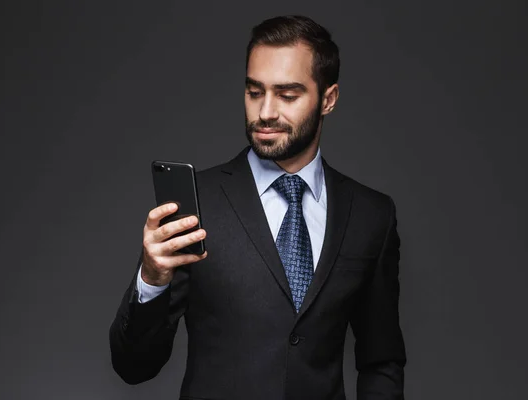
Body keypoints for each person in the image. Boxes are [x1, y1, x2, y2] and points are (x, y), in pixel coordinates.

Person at [109, 15, 406, 400]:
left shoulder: (371, 216)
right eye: (254, 92)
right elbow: (134, 366)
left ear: (328, 99)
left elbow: (381, 360)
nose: (265, 112)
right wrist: (151, 279)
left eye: (287, 95)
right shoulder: (199, 204)